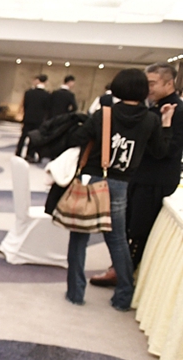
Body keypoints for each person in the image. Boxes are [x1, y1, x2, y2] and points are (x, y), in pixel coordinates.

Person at [64, 68, 175, 311]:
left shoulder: (104, 114)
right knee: (118, 240)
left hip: (92, 179)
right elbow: (160, 151)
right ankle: (124, 295)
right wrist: (166, 122)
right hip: (120, 183)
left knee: (80, 236)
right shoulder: (151, 119)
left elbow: (78, 138)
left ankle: (75, 293)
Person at [91, 63, 183, 287]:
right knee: (127, 225)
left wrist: (145, 139)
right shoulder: (152, 108)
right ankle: (121, 270)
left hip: (155, 179)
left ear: (169, 83)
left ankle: (123, 275)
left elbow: (169, 150)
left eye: (152, 83)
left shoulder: (176, 110)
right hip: (139, 177)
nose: (147, 88)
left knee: (138, 229)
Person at [17, 74, 50, 161]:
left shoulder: (29, 93)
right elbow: (47, 108)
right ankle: (30, 154)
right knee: (33, 138)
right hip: (39, 120)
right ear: (46, 82)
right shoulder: (47, 95)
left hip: (28, 118)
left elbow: (25, 105)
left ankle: (18, 152)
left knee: (23, 136)